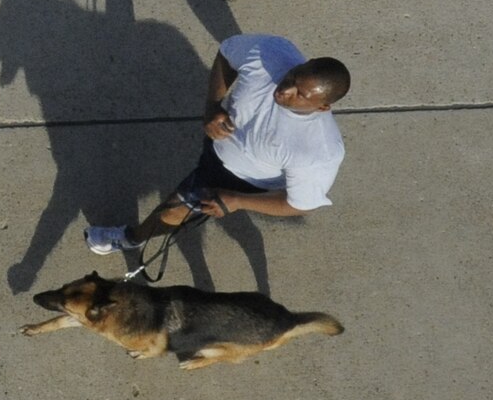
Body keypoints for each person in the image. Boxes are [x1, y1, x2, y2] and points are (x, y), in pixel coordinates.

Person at [86, 34, 348, 255]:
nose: (285, 90)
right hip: (216, 145)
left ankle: (132, 238)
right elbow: (226, 55)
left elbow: (301, 204)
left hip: (243, 181)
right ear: (304, 63)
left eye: (300, 95)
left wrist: (237, 200)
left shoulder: (318, 151)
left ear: (323, 107)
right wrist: (212, 107)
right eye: (292, 77)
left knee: (171, 210)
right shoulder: (270, 52)